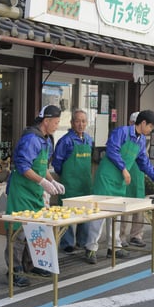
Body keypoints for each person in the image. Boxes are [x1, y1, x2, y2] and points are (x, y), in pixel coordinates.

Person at [92, 110, 154, 258]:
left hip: (120, 181)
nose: (150, 131)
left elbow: (144, 162)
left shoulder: (140, 140)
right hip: (106, 178)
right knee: (99, 214)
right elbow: (112, 150)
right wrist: (123, 168)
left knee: (116, 214)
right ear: (143, 123)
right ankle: (91, 248)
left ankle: (114, 247)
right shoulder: (122, 131)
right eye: (150, 128)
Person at [5, 105, 65, 286]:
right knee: (18, 231)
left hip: (34, 191)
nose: (57, 126)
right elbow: (23, 166)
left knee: (35, 228)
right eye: (55, 122)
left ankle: (31, 264)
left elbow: (42, 166)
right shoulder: (31, 139)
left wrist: (51, 180)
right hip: (22, 191)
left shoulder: (46, 139)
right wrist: (42, 182)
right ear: (46, 121)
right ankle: (14, 270)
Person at [52, 109, 98, 263]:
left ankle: (83, 241)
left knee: (85, 213)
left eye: (84, 121)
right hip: (69, 184)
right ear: (72, 123)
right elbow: (57, 162)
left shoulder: (89, 140)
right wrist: (65, 176)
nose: (81, 124)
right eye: (78, 121)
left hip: (85, 183)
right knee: (67, 214)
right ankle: (67, 243)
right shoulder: (65, 140)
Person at [121, 111, 147, 248]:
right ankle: (122, 236)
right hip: (124, 174)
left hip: (138, 175)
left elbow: (144, 160)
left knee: (139, 205)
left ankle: (136, 235)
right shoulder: (124, 135)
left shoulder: (142, 139)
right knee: (124, 207)